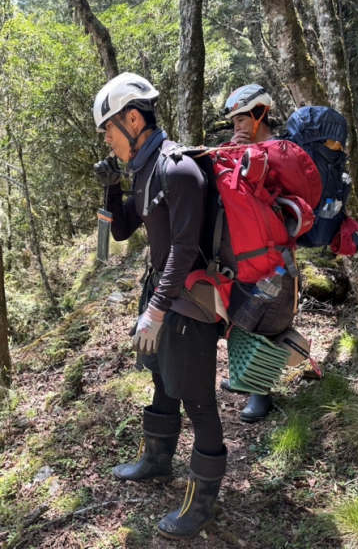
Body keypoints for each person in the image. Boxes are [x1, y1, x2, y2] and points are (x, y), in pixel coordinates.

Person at [92, 72, 227, 540]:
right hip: (164, 294)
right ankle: (157, 461)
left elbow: (186, 250)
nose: (109, 142)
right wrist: (112, 186)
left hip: (189, 304)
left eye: (110, 131)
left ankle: (203, 503)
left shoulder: (177, 169)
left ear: (134, 119)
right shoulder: (144, 170)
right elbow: (122, 230)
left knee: (199, 400)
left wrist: (157, 310)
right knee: (161, 375)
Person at [219, 83, 279, 422]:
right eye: (235, 121)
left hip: (275, 257)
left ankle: (262, 394)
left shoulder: (279, 150)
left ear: (260, 114)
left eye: (243, 119)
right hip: (243, 252)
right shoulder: (239, 147)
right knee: (239, 316)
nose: (238, 127)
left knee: (263, 318)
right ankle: (245, 375)